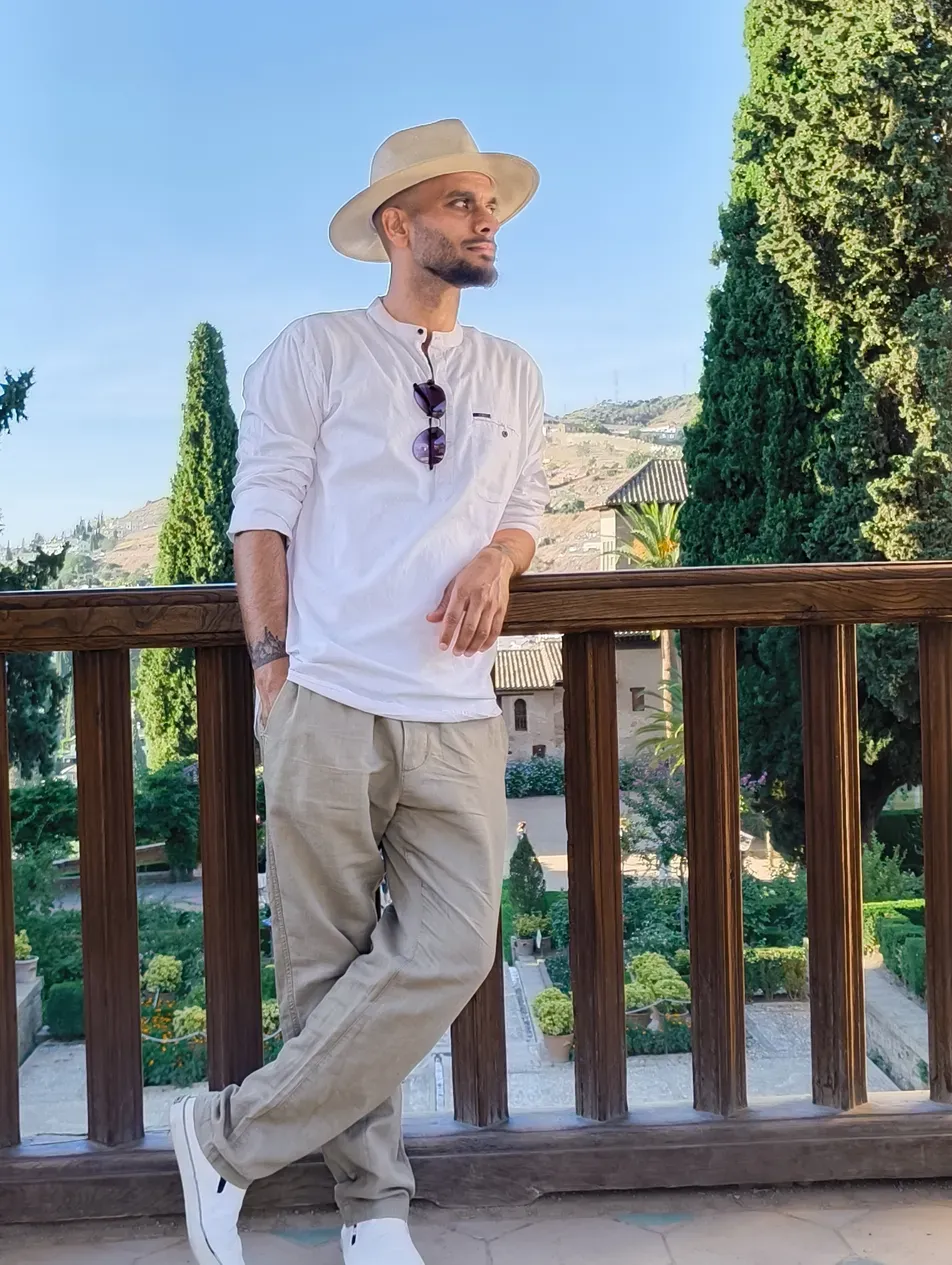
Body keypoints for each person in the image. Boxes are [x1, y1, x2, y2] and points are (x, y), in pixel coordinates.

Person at [170, 118, 548, 1265]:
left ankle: (222, 1132)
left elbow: (523, 503)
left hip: (456, 710)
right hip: (327, 692)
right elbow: (262, 512)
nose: (487, 221)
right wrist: (274, 666)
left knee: (449, 947)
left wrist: (502, 558)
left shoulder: (513, 371)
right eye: (463, 204)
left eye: (490, 204)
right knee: (325, 965)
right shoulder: (317, 349)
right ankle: (372, 1210)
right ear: (400, 225)